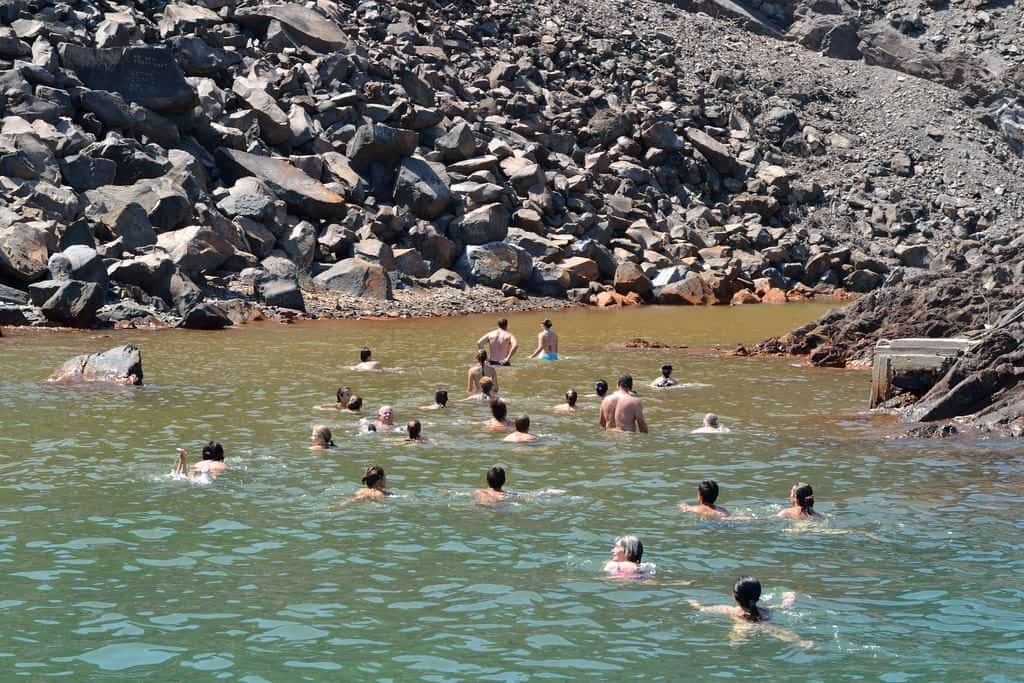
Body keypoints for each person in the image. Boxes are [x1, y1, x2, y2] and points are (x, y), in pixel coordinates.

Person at [688, 577, 810, 648]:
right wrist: (789, 597)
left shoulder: (730, 610)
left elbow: (704, 609)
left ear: (734, 597)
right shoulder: (767, 610)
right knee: (776, 631)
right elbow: (783, 606)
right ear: (758, 596)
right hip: (763, 623)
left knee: (735, 643)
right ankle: (801, 642)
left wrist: (696, 604)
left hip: (743, 626)